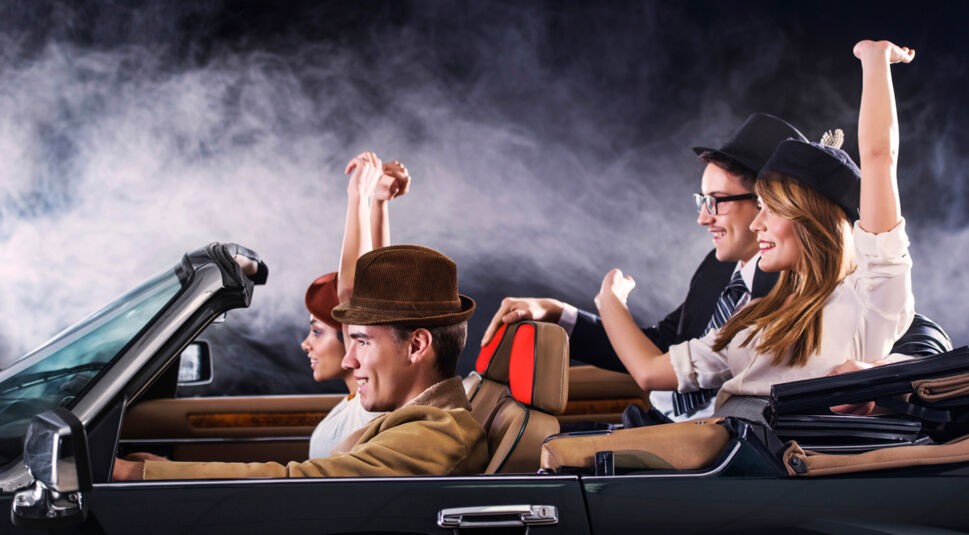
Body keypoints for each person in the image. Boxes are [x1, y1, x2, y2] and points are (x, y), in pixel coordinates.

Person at [593, 39, 917, 424]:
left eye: (771, 209)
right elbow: (650, 371)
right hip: (706, 457)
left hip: (745, 470)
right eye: (758, 207)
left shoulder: (870, 298)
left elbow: (880, 158)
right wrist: (608, 304)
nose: (756, 223)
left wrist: (874, 59)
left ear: (811, 220)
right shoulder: (754, 319)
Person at [483, 114, 804, 422]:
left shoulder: (784, 298)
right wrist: (557, 313)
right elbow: (661, 346)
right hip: (656, 421)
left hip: (701, 452)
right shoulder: (718, 268)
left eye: (716, 201)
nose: (703, 218)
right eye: (702, 201)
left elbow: (651, 370)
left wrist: (611, 302)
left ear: (768, 202)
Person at [114, 245, 487, 480]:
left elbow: (305, 483)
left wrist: (139, 473)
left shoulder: (438, 433)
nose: (348, 358)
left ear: (417, 345)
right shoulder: (407, 416)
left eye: (361, 341)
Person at [302, 151, 411, 458]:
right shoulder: (355, 400)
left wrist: (357, 195)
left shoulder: (374, 404)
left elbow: (354, 293)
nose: (305, 344)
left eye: (317, 332)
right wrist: (378, 202)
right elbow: (377, 282)